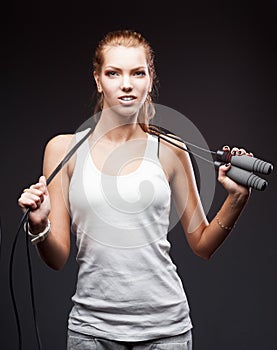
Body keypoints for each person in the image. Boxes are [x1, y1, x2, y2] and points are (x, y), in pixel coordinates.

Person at [18, 29, 251, 350]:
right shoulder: (62, 150)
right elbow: (57, 258)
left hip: (166, 331)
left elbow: (202, 244)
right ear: (98, 80)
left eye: (137, 73)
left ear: (149, 80)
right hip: (91, 331)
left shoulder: (172, 149)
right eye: (114, 73)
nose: (126, 84)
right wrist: (40, 224)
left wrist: (236, 199)